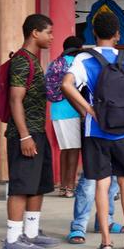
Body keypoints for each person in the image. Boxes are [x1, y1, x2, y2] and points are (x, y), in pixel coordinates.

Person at [60, 12, 124, 249]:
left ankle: (106, 244)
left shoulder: (84, 58)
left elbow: (66, 84)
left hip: (96, 131)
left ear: (93, 33)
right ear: (118, 34)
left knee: (101, 183)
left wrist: (89, 110)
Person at [1, 13, 58, 249]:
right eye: (49, 32)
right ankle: (12, 240)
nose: (52, 37)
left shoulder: (33, 60)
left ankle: (31, 233)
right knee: (21, 186)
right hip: (25, 134)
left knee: (38, 184)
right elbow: (15, 99)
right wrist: (24, 136)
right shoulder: (22, 61)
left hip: (37, 130)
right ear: (35, 32)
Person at [51, 35, 85, 198]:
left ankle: (64, 186)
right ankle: (70, 187)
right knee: (73, 150)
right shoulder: (76, 63)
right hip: (71, 110)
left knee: (65, 150)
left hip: (56, 111)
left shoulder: (56, 62)